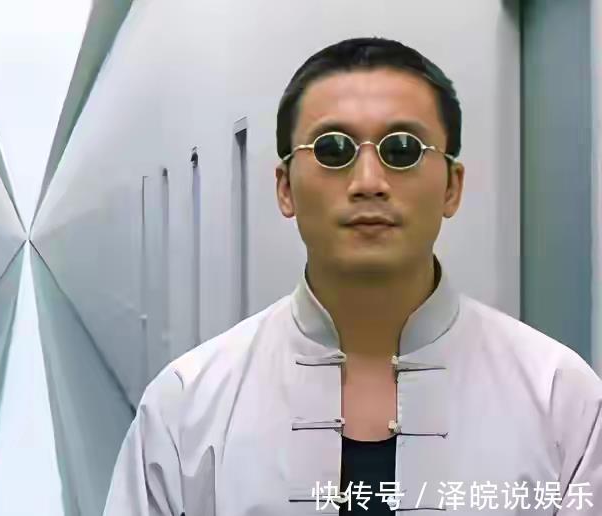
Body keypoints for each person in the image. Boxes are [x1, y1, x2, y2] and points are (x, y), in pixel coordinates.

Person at [103, 37, 601, 515]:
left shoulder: (561, 398)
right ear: (285, 188)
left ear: (452, 186)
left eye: (402, 149)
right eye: (333, 149)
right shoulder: (185, 408)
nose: (368, 183)